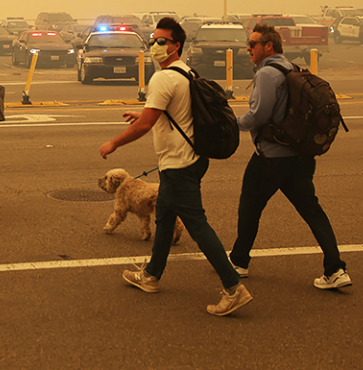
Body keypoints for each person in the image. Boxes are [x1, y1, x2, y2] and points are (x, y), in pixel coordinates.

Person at [99, 17, 252, 317]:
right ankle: (151, 275)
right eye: (153, 40)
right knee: (165, 217)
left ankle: (233, 288)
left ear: (176, 45)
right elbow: (173, 111)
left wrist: (114, 143)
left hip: (179, 164)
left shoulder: (163, 78)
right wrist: (145, 113)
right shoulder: (186, 72)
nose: (155, 45)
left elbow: (145, 125)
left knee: (197, 224)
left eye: (162, 41)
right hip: (192, 159)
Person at [229, 24, 351, 290]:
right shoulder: (292, 69)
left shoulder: (267, 73)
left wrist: (234, 122)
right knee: (312, 211)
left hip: (270, 158)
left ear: (268, 46)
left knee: (249, 208)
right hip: (300, 157)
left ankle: (238, 263)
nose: (248, 48)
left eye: (253, 44)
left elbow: (258, 115)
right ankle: (335, 269)